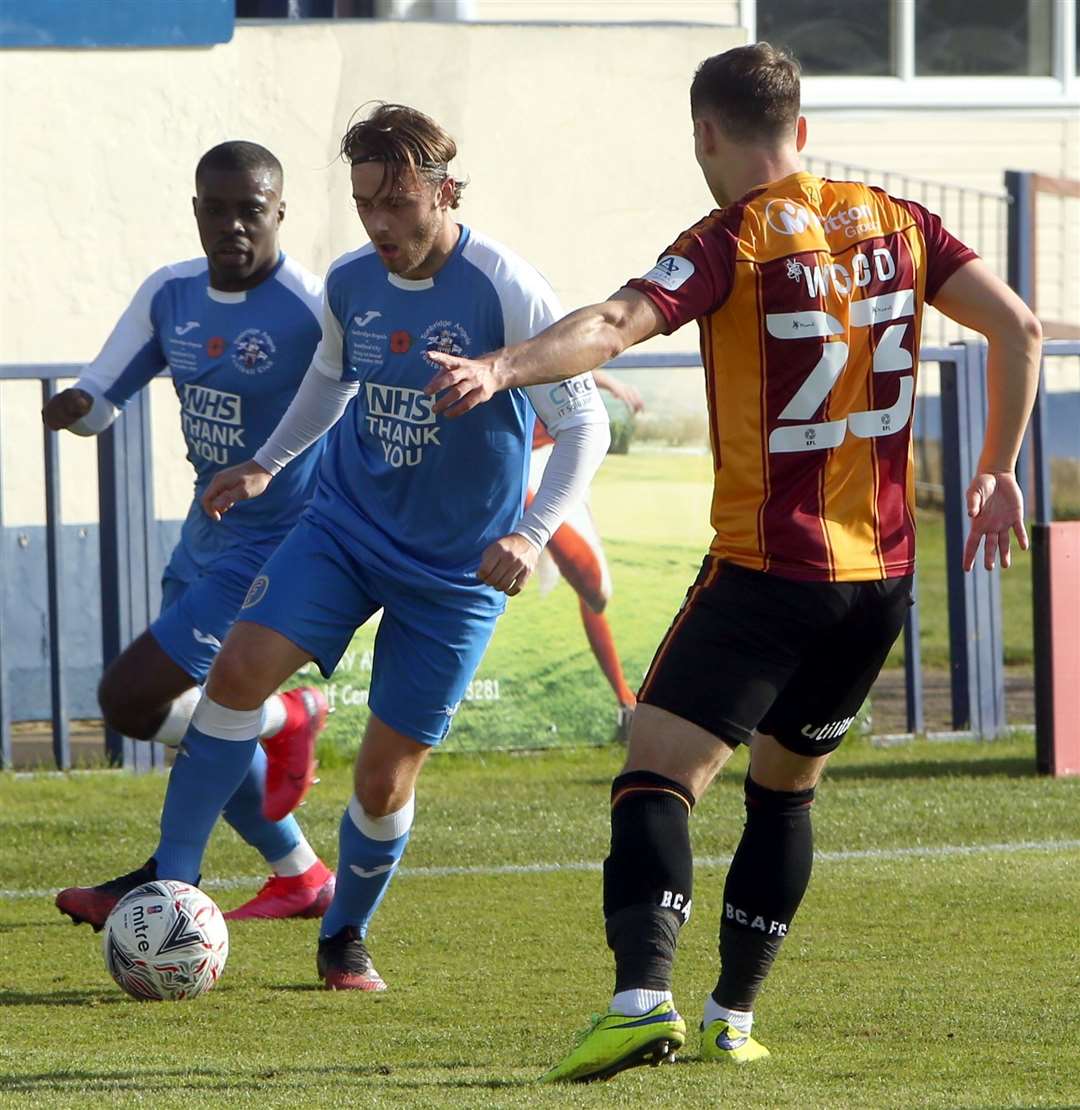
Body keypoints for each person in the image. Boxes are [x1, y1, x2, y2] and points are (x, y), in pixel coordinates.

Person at [423, 43, 1041, 1081]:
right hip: (877, 583)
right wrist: (997, 470)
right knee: (786, 792)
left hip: (767, 570)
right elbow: (1017, 325)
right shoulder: (899, 223)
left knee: (656, 778)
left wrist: (503, 365)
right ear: (799, 127)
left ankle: (639, 1001)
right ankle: (732, 1017)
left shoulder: (732, 237)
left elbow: (615, 324)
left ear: (706, 133)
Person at [147, 102, 610, 989]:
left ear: (443, 192)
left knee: (382, 779)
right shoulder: (353, 282)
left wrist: (530, 532)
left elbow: (583, 425)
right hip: (345, 526)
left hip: (457, 568)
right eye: (365, 204)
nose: (380, 224)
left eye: (398, 204)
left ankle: (342, 936)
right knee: (237, 671)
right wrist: (265, 463)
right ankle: (173, 886)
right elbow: (331, 375)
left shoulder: (505, 285)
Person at [44, 141, 336, 927]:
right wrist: (77, 409)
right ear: (197, 209)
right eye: (218, 207)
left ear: (280, 212)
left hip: (279, 545)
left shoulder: (312, 305)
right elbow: (104, 392)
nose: (234, 224)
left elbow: (358, 396)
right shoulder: (170, 293)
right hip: (206, 537)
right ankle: (300, 872)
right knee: (205, 716)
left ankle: (169, 873)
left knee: (130, 697)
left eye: (252, 208)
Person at [530, 369, 643, 740]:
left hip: (550, 457)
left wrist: (609, 382)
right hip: (510, 459)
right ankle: (520, 499)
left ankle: (626, 701)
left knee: (595, 593)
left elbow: (556, 348)